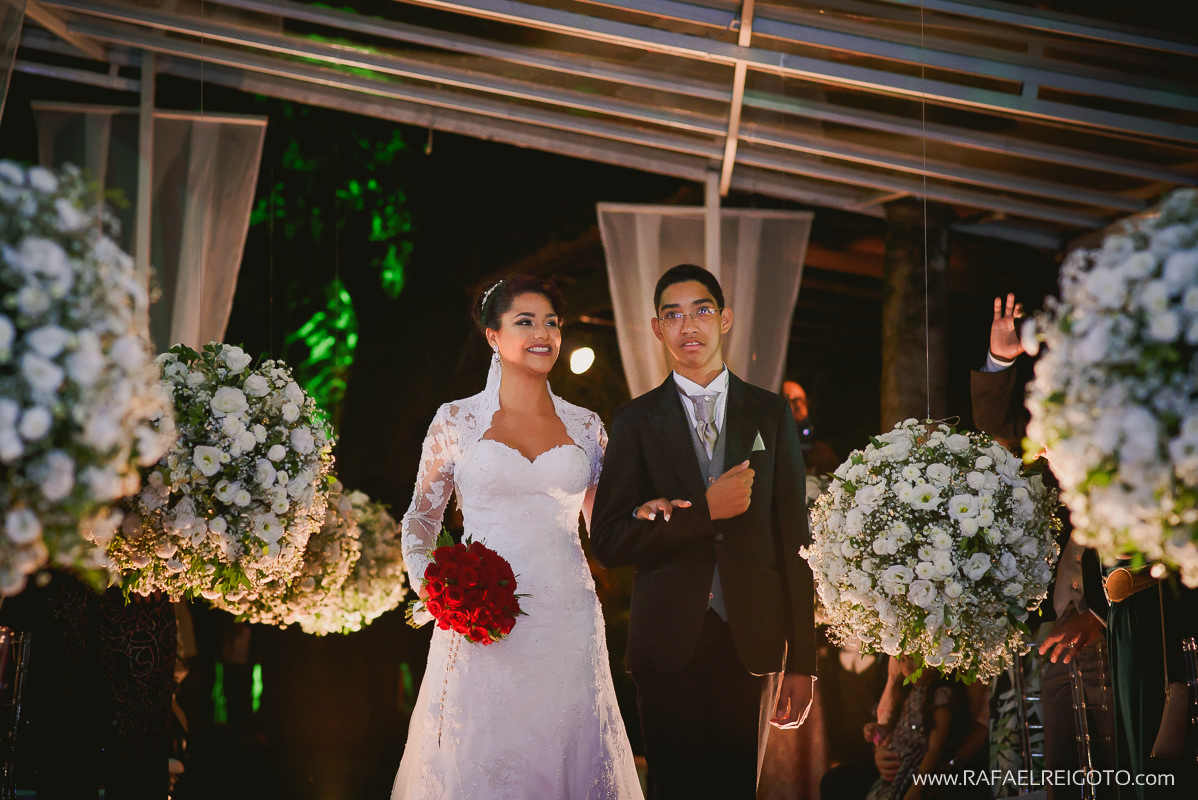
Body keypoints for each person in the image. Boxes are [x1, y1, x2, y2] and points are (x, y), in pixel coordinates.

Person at [391, 276, 643, 799]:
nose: (543, 334)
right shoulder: (456, 421)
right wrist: (432, 588)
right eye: (525, 321)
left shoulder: (586, 425)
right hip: (477, 619)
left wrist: (654, 510)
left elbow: (609, 525)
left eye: (551, 322)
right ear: (493, 335)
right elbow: (421, 517)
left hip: (567, 617)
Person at [590, 264, 816, 799]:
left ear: (725, 319)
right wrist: (703, 513)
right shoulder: (635, 421)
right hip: (667, 642)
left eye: (701, 310)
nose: (688, 325)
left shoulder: (770, 412)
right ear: (656, 328)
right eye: (673, 315)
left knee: (738, 789)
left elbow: (795, 543)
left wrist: (803, 663)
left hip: (752, 639)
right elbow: (610, 540)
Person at [973, 294, 1119, 797]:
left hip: (1127, 637)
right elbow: (998, 442)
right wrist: (1002, 361)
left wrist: (1100, 615)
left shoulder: (1144, 430)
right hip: (1060, 638)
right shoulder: (1058, 425)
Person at [864, 657, 975, 800]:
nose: (907, 666)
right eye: (903, 659)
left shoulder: (940, 696)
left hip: (914, 769)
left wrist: (916, 790)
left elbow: (935, 747)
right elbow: (899, 726)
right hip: (894, 768)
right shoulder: (906, 688)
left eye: (914, 659)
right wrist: (879, 732)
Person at [781, 380, 839, 476]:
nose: (799, 405)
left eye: (802, 400)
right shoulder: (771, 444)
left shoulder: (821, 451)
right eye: (792, 399)